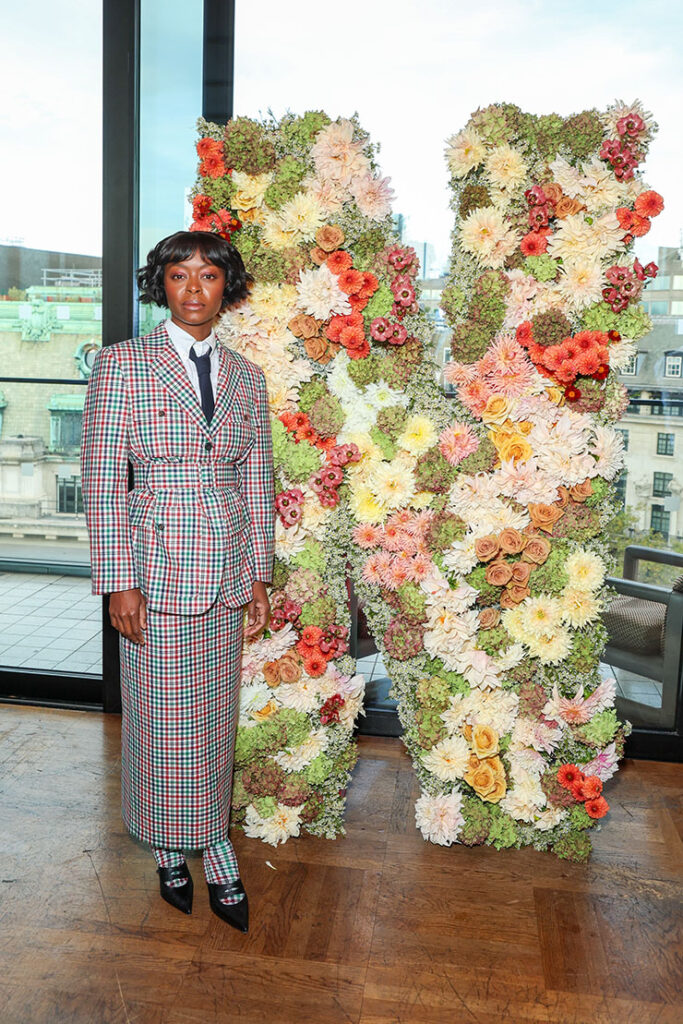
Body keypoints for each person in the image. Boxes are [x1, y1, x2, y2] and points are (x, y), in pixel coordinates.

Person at [81, 230, 274, 932]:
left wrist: (259, 576)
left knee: (213, 721)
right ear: (159, 284)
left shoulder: (248, 376)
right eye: (179, 276)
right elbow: (102, 481)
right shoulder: (122, 365)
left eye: (209, 277)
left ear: (228, 286)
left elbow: (257, 480)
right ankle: (175, 848)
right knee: (162, 724)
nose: (194, 290)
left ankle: (211, 836)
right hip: (154, 571)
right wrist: (117, 583)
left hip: (226, 570)